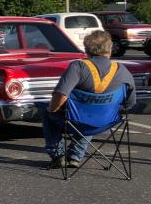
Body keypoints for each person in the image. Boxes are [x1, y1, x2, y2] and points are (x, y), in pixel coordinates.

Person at [41, 29, 135, 169]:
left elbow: (61, 95)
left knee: (48, 110)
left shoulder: (78, 66)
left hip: (76, 121)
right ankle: (75, 156)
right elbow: (130, 102)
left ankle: (58, 156)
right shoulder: (122, 70)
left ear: (86, 49)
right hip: (106, 121)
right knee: (91, 114)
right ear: (109, 50)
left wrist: (52, 109)